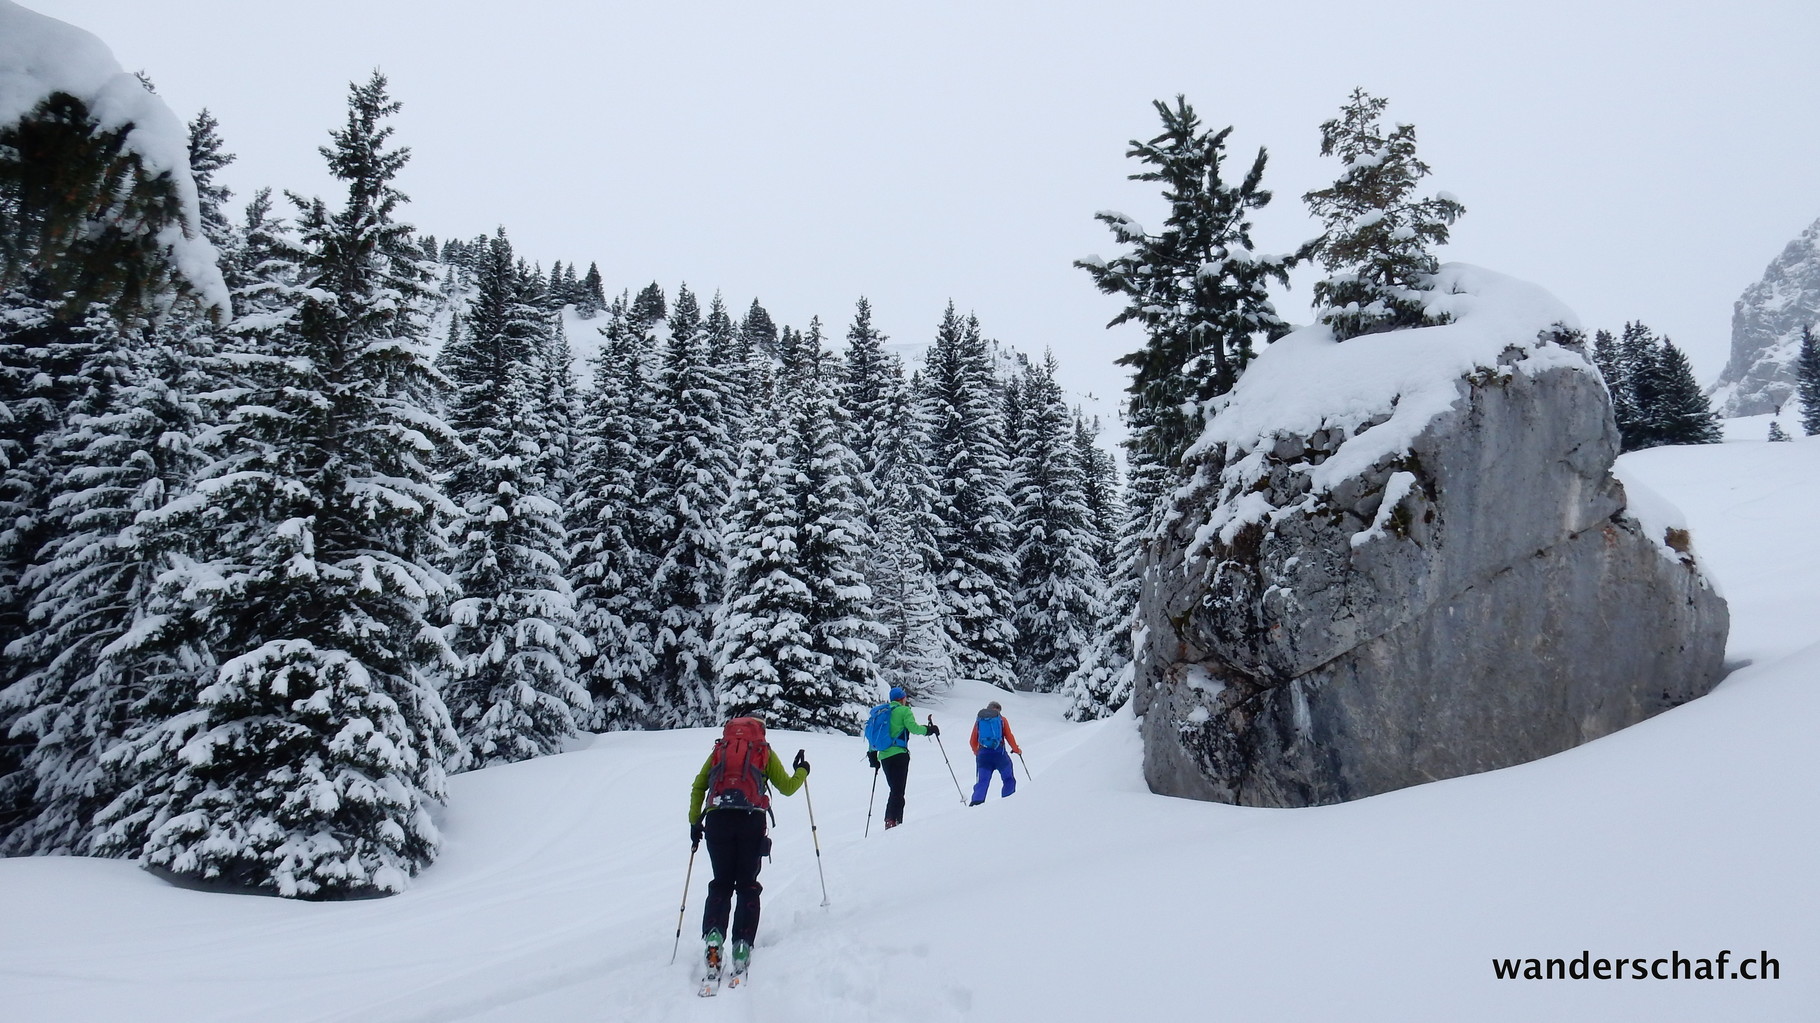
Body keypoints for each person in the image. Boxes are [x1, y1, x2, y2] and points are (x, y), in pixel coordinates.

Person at [687, 716, 809, 981]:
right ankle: (741, 946)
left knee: (721, 882)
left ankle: (714, 939)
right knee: (747, 884)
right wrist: (803, 771)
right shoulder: (763, 751)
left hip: (717, 820)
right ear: (761, 732)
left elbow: (699, 786)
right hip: (751, 821)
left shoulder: (720, 750)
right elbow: (787, 788)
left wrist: (695, 821)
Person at [868, 686, 936, 830]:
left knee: (894, 789)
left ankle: (892, 820)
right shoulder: (904, 711)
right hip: (900, 754)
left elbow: (874, 736)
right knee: (898, 790)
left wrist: (872, 756)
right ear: (902, 698)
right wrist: (929, 730)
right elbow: (914, 728)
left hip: (884, 756)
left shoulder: (882, 713)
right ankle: (893, 821)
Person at [968, 700, 1021, 805]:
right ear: (999, 710)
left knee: (982, 782)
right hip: (999, 755)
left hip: (983, 755)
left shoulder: (980, 720)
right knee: (1008, 778)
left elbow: (972, 741)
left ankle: (976, 803)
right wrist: (1016, 749)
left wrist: (977, 752)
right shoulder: (1002, 720)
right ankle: (1008, 801)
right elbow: (1009, 736)